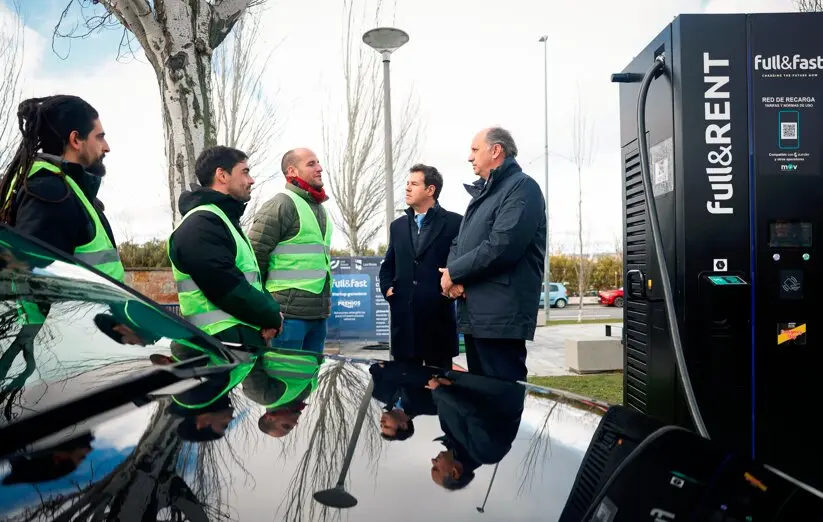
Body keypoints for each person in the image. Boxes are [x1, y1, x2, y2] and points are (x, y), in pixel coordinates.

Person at [440, 127, 546, 382]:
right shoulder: (485, 193)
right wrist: (453, 278)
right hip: (477, 313)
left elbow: (502, 246)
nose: (469, 157)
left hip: (500, 318)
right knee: (481, 403)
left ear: (496, 150)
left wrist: (454, 272)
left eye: (475, 150)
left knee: (500, 402)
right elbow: (460, 242)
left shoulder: (522, 188)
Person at [167, 146, 283, 347]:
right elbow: (229, 289)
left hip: (234, 343)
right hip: (216, 347)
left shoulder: (223, 220)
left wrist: (270, 315)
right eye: (245, 172)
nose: (251, 180)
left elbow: (250, 281)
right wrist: (271, 316)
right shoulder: (201, 224)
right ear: (222, 175)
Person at [0, 95, 124, 281]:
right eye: (99, 137)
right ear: (75, 140)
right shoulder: (51, 194)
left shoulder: (65, 190)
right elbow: (33, 290)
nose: (106, 147)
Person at [248, 148, 332, 353]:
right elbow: (253, 261)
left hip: (318, 317)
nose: (319, 168)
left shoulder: (320, 209)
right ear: (292, 171)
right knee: (283, 381)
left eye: (318, 162)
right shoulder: (281, 204)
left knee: (307, 381)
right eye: (311, 164)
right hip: (286, 318)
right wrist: (263, 313)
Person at [379, 164, 462, 369]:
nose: (407, 188)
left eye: (414, 184)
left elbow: (461, 263)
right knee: (406, 393)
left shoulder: (455, 222)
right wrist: (388, 289)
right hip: (404, 326)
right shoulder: (397, 226)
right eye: (407, 183)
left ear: (430, 190)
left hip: (438, 326)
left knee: (440, 394)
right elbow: (388, 265)